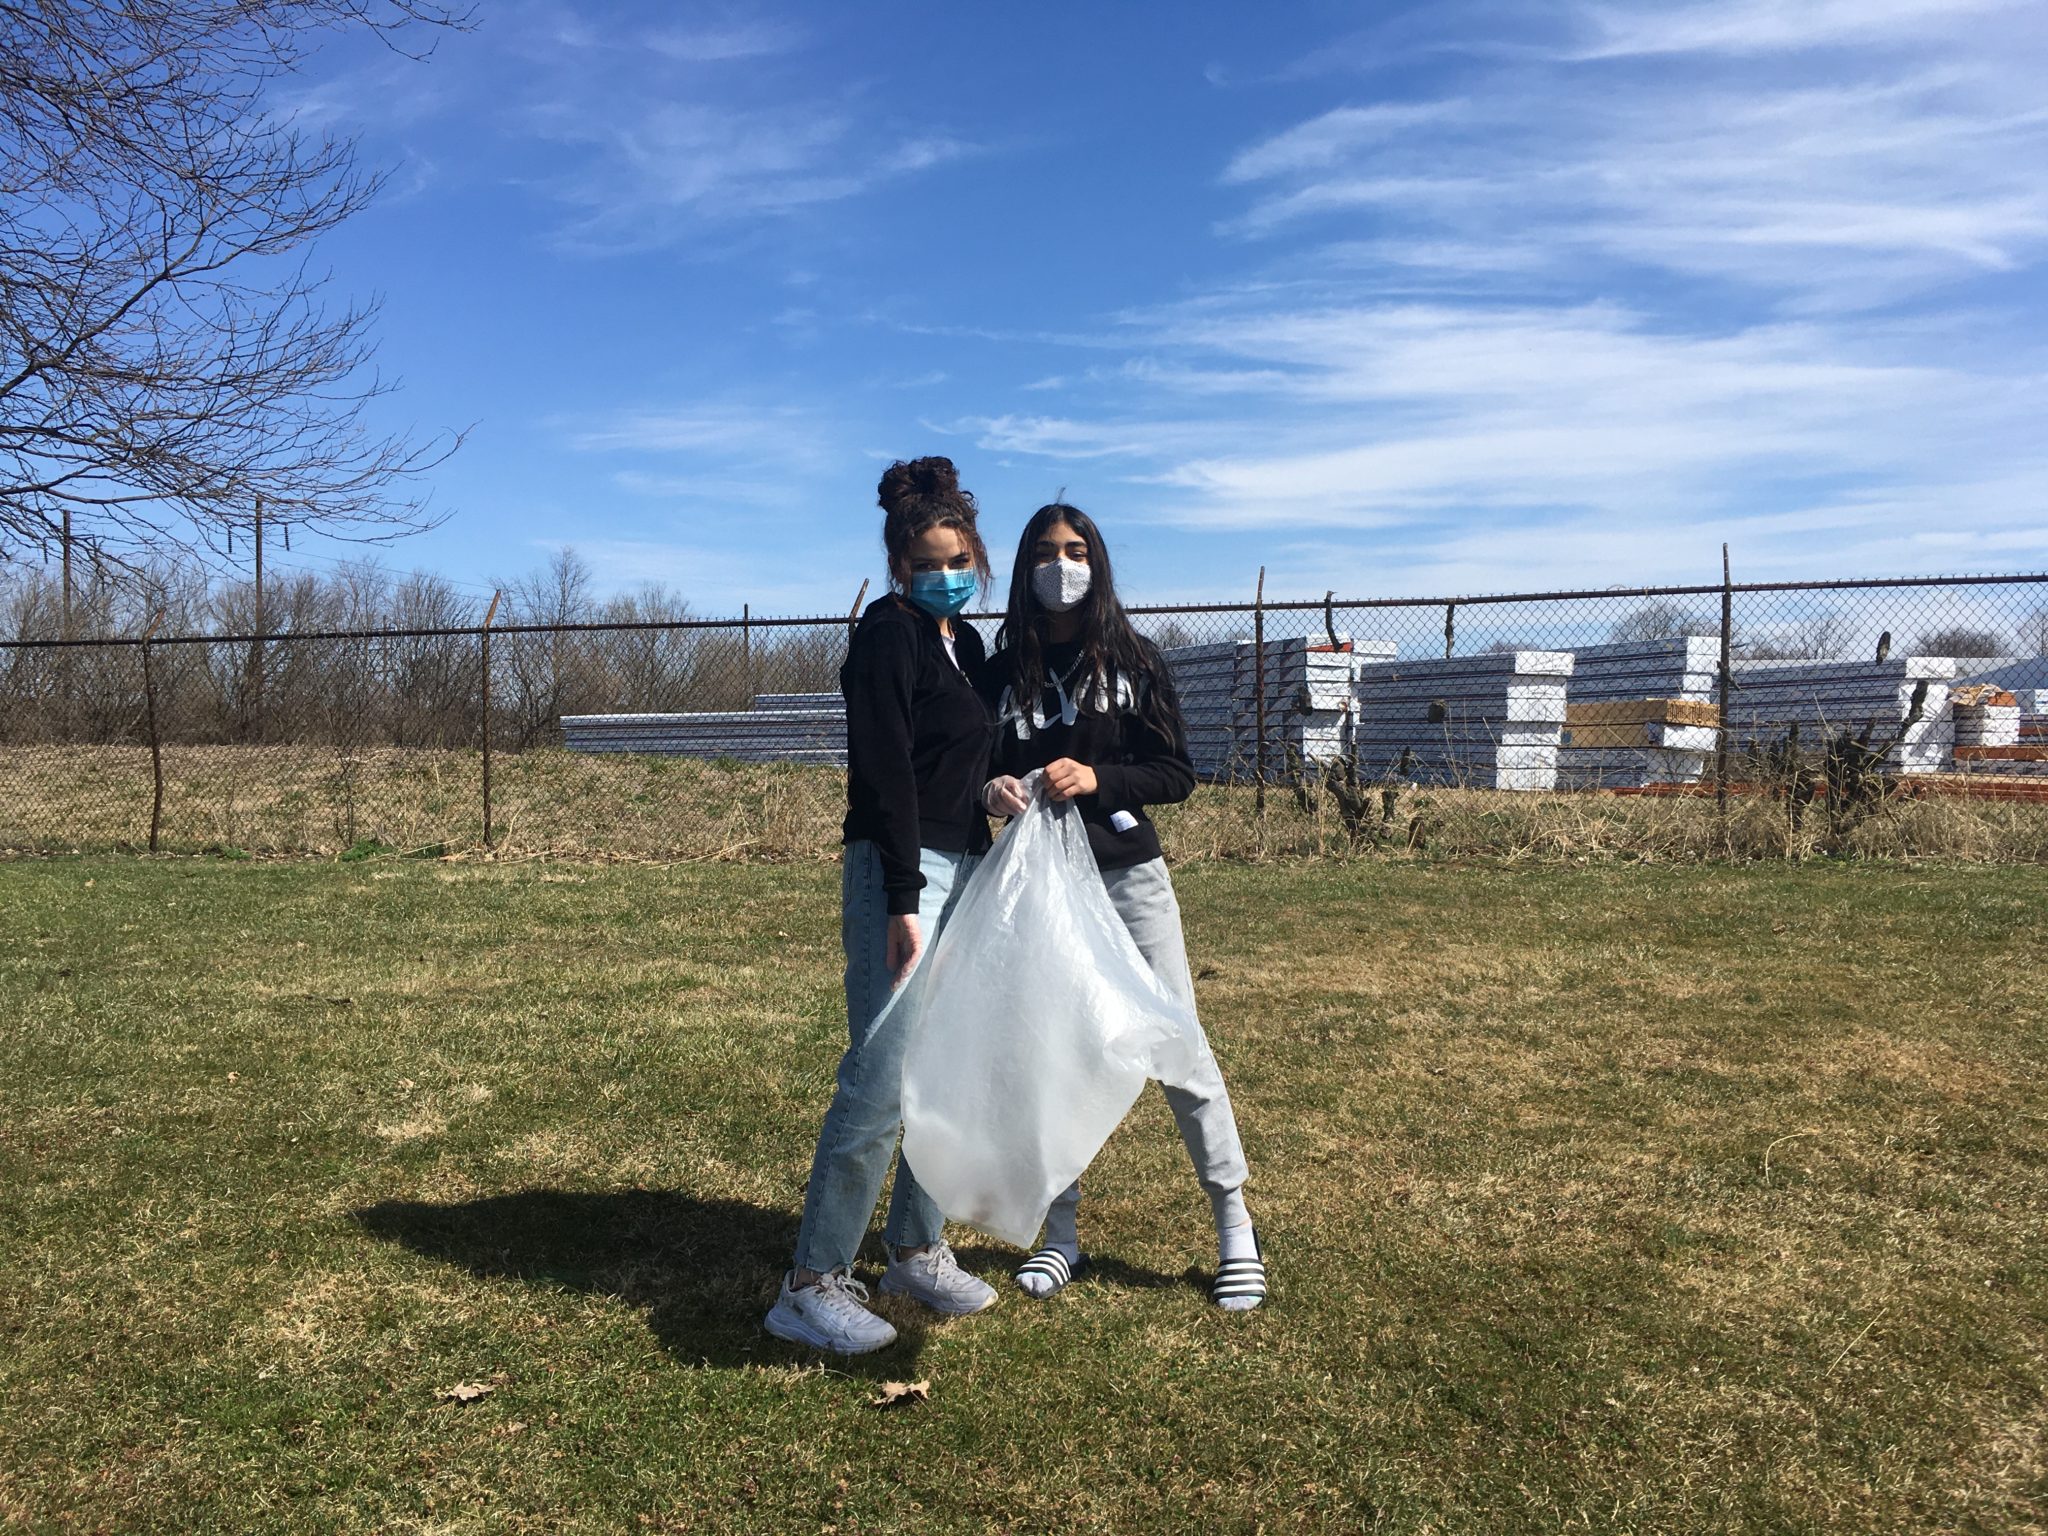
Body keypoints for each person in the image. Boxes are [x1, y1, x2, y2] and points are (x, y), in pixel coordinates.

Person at [979, 502, 1267, 1311]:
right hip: (1040, 884)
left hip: (1127, 875)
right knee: (1051, 1054)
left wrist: (1101, 778)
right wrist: (992, 789)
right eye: (1044, 552)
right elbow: (980, 771)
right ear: (1025, 567)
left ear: (1097, 563)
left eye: (1075, 551)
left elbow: (1176, 772)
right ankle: (1060, 1229)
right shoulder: (1002, 671)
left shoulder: (1134, 659)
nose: (1060, 566)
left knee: (1178, 1043)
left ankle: (1233, 1224)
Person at [763, 457, 1001, 1355]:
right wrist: (902, 898)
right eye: (928, 561)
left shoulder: (965, 648)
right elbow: (888, 773)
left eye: (960, 558)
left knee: (945, 1069)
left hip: (963, 866)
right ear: (901, 567)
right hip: (900, 875)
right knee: (881, 1077)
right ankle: (811, 1281)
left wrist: (994, 794)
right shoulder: (887, 638)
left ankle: (913, 1246)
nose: (948, 574)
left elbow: (953, 771)